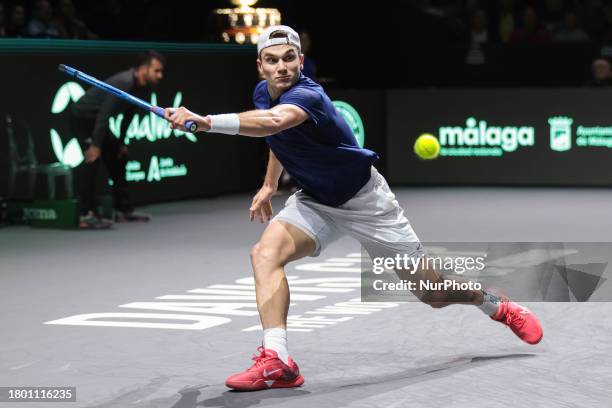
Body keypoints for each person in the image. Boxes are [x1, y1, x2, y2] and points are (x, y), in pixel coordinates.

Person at [165, 25, 543, 391]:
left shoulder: (308, 97)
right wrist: (268, 184)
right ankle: (277, 360)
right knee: (264, 254)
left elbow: (274, 123)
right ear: (260, 66)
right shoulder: (263, 92)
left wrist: (205, 122)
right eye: (272, 60)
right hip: (315, 199)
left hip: (365, 202)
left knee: (434, 294)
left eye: (289, 58)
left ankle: (494, 303)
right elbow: (277, 138)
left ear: (300, 60)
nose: (281, 66)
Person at [70, 50, 164, 229]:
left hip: (97, 121)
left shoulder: (144, 86)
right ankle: (86, 215)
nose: (160, 75)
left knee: (119, 157)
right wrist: (96, 145)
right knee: (92, 159)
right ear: (144, 69)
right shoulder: (124, 82)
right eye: (157, 71)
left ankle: (123, 210)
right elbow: (104, 113)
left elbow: (129, 114)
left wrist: (121, 142)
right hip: (82, 118)